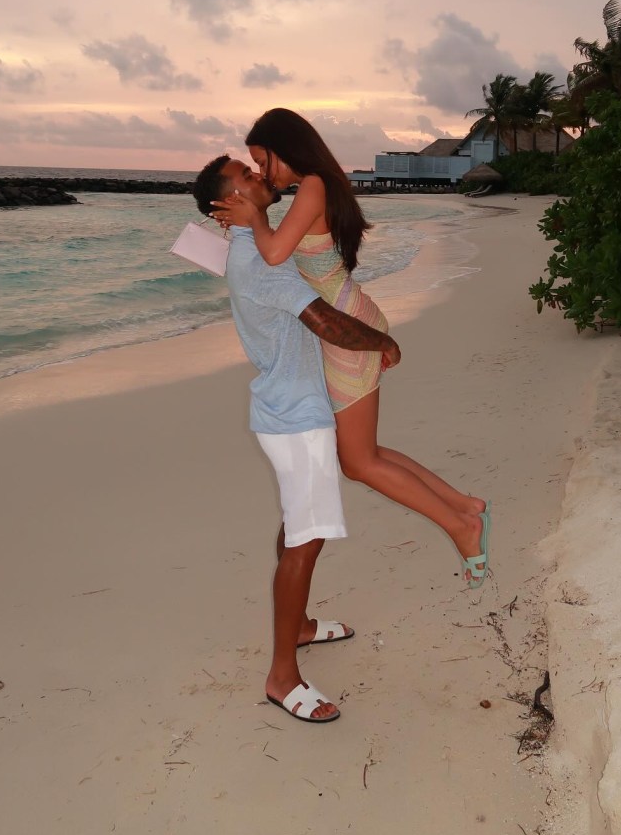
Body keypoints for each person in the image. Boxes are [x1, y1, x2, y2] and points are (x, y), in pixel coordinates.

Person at [210, 108, 492, 587]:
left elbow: (275, 253)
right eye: (253, 167)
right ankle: (466, 507)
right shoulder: (309, 190)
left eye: (263, 160)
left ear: (285, 148)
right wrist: (243, 227)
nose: (262, 172)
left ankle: (463, 525)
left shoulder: (314, 185)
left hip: (345, 329)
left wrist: (254, 216)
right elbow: (269, 255)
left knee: (359, 462)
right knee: (366, 455)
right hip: (343, 324)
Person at [193, 154, 401, 724]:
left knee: (296, 529)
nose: (260, 176)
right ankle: (282, 676)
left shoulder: (251, 248)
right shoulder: (262, 264)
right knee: (304, 542)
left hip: (288, 409)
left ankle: (302, 626)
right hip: (297, 417)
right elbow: (326, 323)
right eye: (247, 176)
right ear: (227, 202)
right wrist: (381, 342)